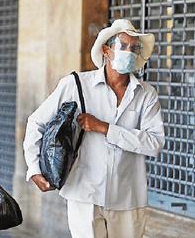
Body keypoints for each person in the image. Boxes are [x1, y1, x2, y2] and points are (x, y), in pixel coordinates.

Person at [23, 19, 165, 238]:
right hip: (83, 194)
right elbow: (36, 122)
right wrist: (34, 169)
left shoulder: (146, 94)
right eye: (123, 46)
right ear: (106, 50)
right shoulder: (76, 84)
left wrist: (105, 128)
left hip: (128, 198)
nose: (130, 52)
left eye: (134, 48)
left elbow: (154, 143)